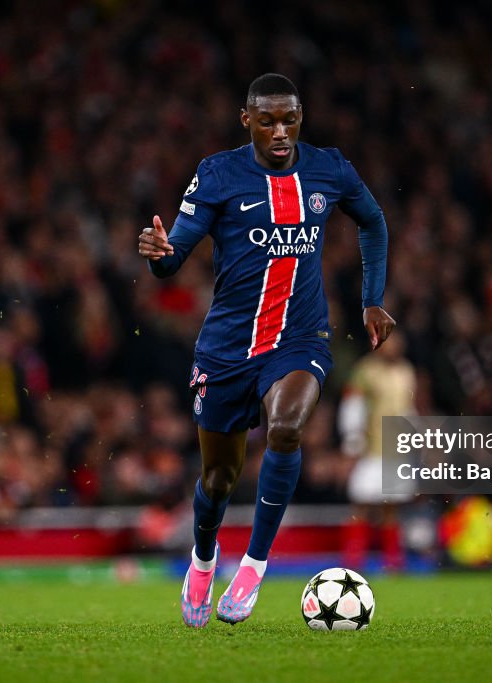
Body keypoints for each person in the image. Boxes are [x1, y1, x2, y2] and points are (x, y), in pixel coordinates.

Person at [138, 73, 395, 627]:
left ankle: (254, 567)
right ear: (246, 119)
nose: (281, 130)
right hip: (228, 347)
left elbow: (373, 221)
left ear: (301, 117)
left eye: (291, 118)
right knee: (218, 482)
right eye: (268, 119)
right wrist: (158, 252)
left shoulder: (329, 168)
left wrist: (372, 299)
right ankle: (204, 561)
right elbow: (171, 258)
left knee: (285, 428)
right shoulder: (219, 174)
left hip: (301, 338)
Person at [338, 330, 416, 569]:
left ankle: (393, 562)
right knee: (361, 504)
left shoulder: (406, 371)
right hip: (370, 449)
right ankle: (353, 560)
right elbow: (353, 407)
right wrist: (352, 442)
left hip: (396, 450)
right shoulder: (365, 371)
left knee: (391, 507)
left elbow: (409, 408)